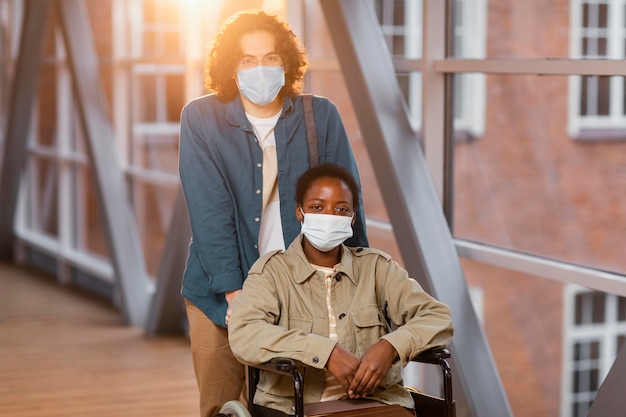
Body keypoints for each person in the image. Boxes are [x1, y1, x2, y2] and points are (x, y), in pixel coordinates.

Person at [178, 10, 369, 417]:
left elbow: (349, 204)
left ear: (286, 63)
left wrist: (360, 284)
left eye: (269, 57)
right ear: (231, 67)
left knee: (290, 405)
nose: (260, 68)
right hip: (221, 291)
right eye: (247, 60)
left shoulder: (321, 116)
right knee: (222, 406)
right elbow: (209, 211)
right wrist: (234, 293)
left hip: (301, 290)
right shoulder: (201, 119)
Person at [228, 163, 453, 415]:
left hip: (377, 403)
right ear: (300, 213)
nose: (329, 216)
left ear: (352, 218)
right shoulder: (272, 271)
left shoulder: (376, 268)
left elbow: (437, 317)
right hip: (296, 407)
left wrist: (390, 347)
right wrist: (325, 352)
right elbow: (244, 333)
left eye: (341, 209)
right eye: (317, 207)